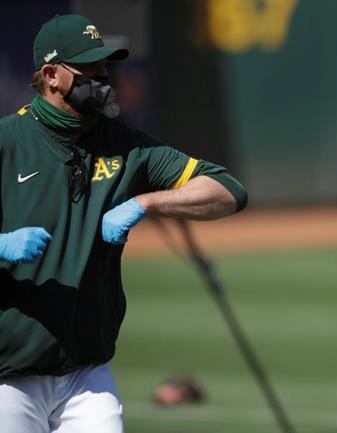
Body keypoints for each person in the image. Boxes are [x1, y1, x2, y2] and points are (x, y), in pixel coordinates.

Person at [0, 14, 247, 433]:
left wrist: (146, 202)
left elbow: (227, 191)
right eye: (88, 69)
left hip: (88, 374)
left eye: (105, 67)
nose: (102, 77)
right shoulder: (8, 142)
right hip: (9, 376)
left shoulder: (125, 143)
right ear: (51, 75)